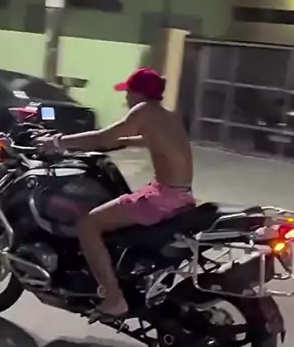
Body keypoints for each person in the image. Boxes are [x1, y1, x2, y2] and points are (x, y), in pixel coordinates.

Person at [36, 67, 195, 321]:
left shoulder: (143, 111)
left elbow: (103, 137)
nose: (126, 98)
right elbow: (155, 140)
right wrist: (127, 142)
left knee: (87, 225)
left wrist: (58, 142)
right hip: (181, 194)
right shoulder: (167, 115)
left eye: (128, 92)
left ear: (138, 93)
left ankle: (113, 298)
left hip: (161, 197)